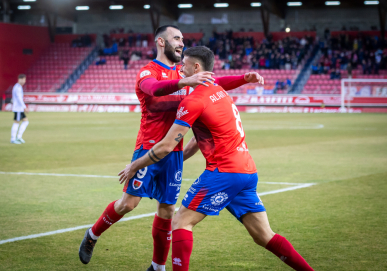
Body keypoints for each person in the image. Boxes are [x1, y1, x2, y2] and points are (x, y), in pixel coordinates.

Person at [78, 25, 264, 271]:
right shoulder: (148, 72)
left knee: (167, 210)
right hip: (149, 147)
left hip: (173, 151)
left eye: (183, 39)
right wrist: (185, 81)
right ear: (161, 42)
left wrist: (243, 79)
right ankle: (93, 234)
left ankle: (157, 267)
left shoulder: (183, 70)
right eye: (176, 38)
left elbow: (214, 81)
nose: (181, 43)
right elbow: (153, 89)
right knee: (128, 204)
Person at [119, 46, 314, 271]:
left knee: (181, 221)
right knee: (264, 236)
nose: (180, 69)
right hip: (247, 172)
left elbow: (164, 146)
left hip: (224, 172)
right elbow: (195, 143)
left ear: (196, 67)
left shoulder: (193, 101)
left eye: (184, 64)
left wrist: (135, 165)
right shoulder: (219, 92)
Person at [11, 74, 29, 144]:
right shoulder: (17, 87)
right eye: (24, 79)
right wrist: (24, 107)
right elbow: (19, 99)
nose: (24, 81)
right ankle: (13, 138)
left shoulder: (18, 87)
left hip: (19, 108)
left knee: (25, 121)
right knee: (16, 122)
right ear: (20, 79)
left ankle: (18, 137)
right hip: (18, 108)